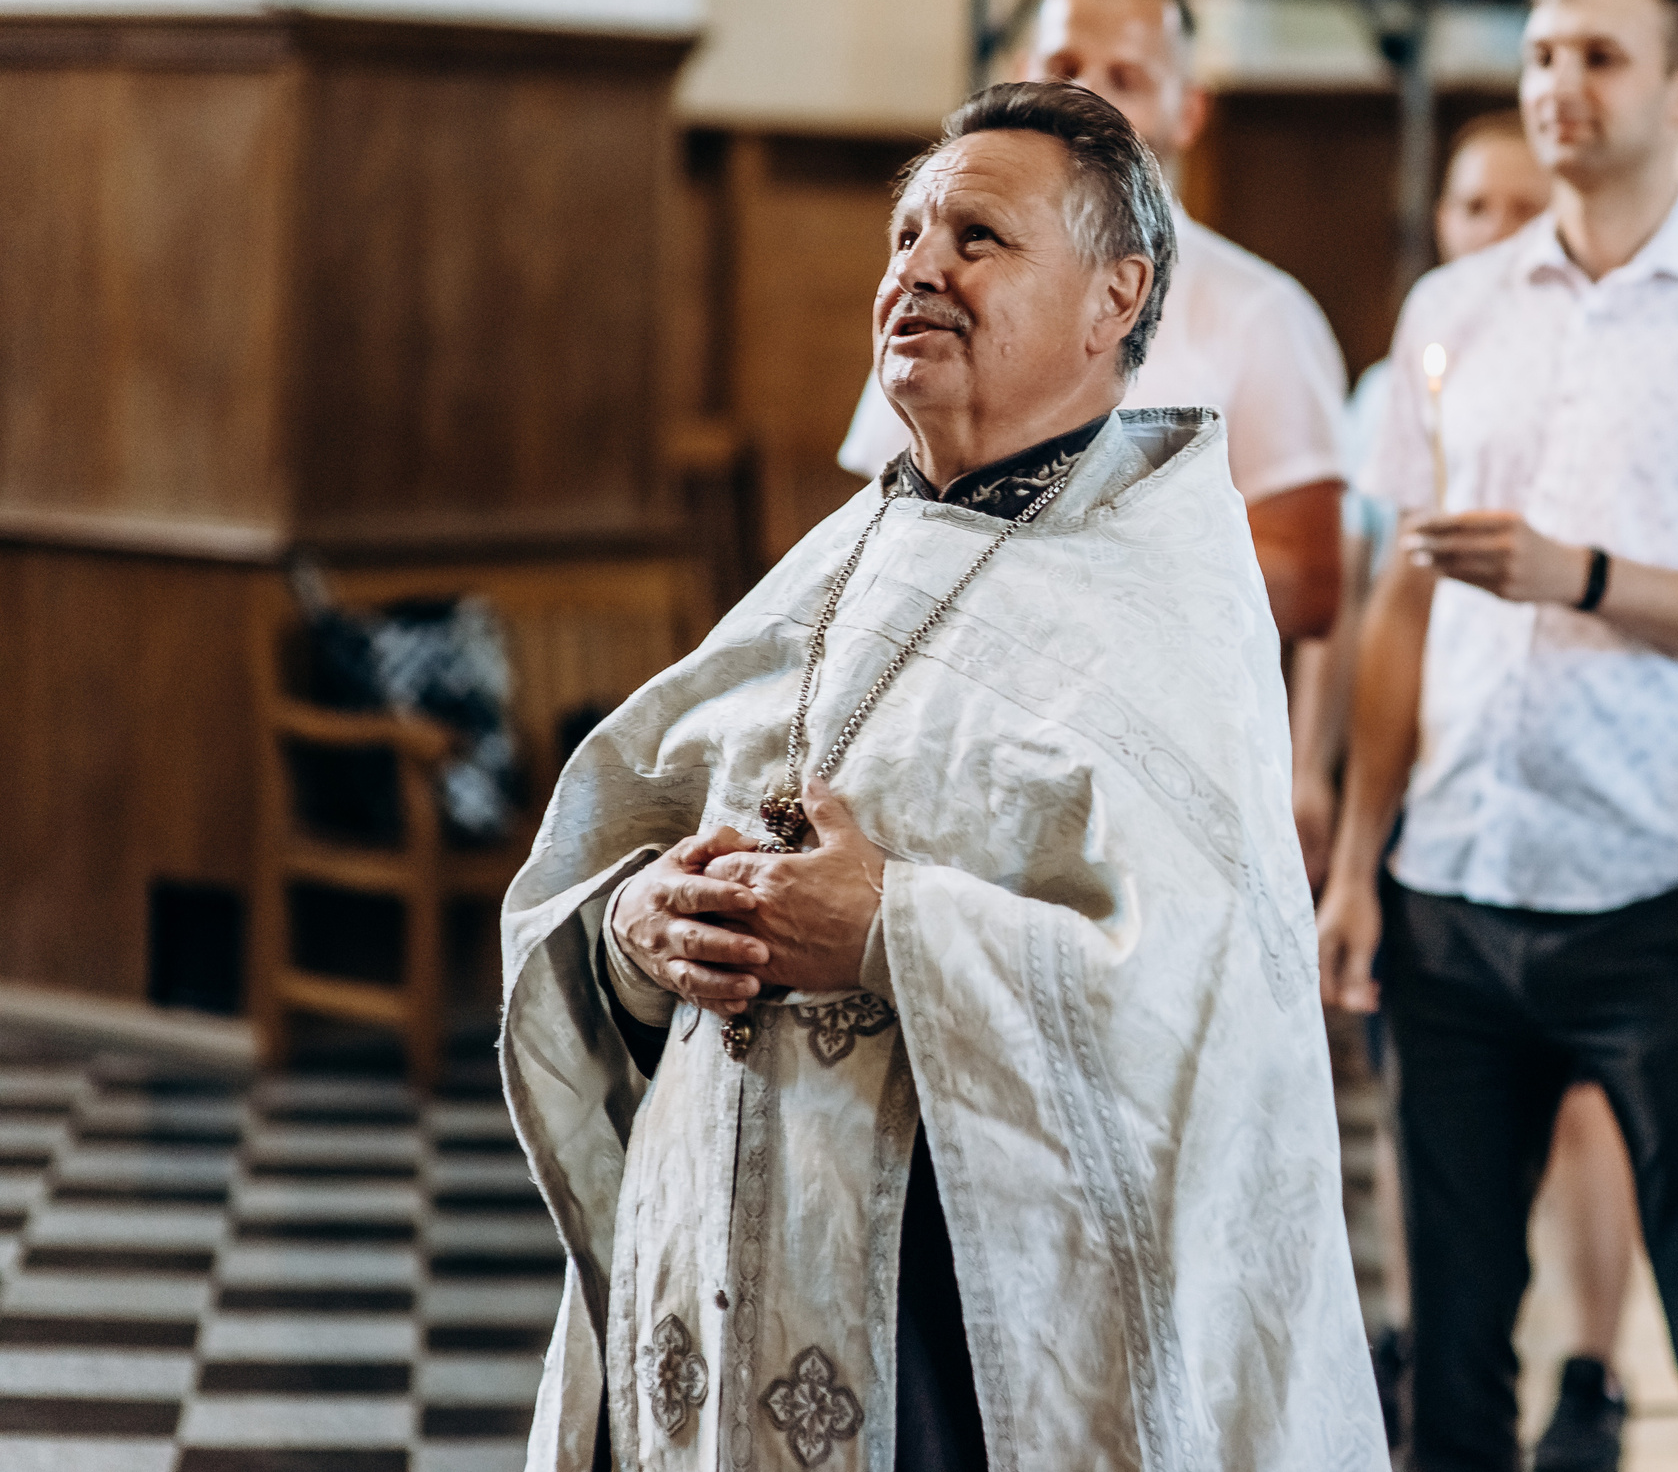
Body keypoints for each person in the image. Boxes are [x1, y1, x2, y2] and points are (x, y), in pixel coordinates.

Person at [498, 82, 1388, 1471]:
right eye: (905, 234)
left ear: (1116, 295)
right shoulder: (848, 551)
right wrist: (640, 928)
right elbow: (623, 859)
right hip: (723, 1282)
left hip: (958, 1336)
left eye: (978, 237)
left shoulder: (1166, 597)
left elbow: (1200, 1008)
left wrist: (882, 926)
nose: (917, 269)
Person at [1315, 0, 1678, 1472]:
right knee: (1453, 1349)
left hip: (1657, 890)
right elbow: (1399, 603)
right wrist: (1363, 859)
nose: (1559, 82)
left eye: (1600, 56)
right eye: (1545, 51)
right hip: (1451, 888)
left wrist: (1585, 573)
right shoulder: (1454, 308)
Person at [1293, 111, 1643, 1464]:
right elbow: (1368, 598)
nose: (1491, 230)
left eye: (1515, 207)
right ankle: (1423, 1336)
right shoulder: (1401, 387)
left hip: (1577, 791)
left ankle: (1596, 1365)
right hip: (1429, 794)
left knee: (1578, 1105)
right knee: (1415, 1090)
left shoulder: (1596, 373)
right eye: (1470, 207)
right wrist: (1327, 783)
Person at [836, 0, 1348, 639]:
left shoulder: (1261, 312)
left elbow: (1307, 583)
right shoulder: (949, 285)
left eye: (1126, 78)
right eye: (1064, 67)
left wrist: (1064, 590)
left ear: (1189, 111)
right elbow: (882, 513)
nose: (1088, 97)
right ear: (1022, 74)